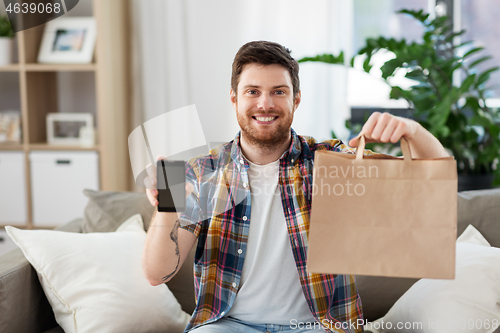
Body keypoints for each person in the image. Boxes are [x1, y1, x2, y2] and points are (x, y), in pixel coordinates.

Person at [142, 41, 449, 333]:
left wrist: (413, 130)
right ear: (234, 98)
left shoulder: (329, 162)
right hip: (227, 325)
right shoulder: (200, 172)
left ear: (295, 99)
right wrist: (166, 205)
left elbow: (430, 187)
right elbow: (157, 274)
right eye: (253, 91)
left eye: (278, 91)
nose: (265, 104)